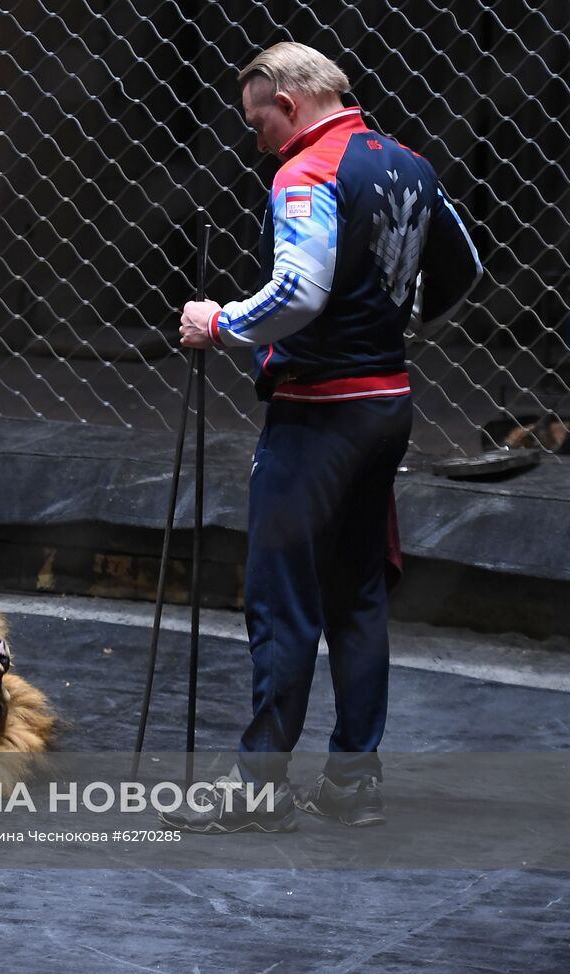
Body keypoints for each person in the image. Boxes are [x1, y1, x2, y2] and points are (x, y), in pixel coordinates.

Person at [161, 42, 482, 833]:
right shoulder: (409, 163)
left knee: (284, 605)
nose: (257, 137)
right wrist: (393, 322)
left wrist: (219, 323)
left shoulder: (304, 172)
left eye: (258, 119)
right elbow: (465, 267)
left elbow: (299, 291)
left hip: (320, 415)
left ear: (291, 104)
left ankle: (257, 792)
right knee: (359, 596)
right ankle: (351, 786)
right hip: (386, 407)